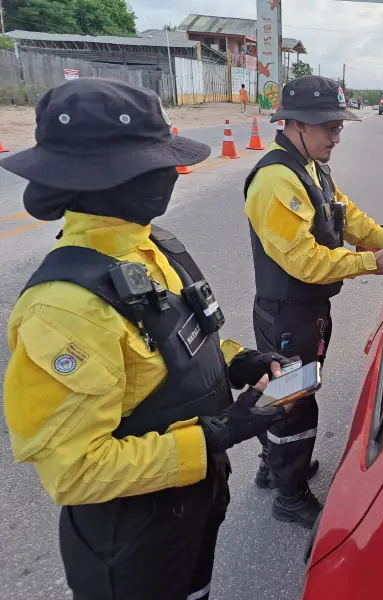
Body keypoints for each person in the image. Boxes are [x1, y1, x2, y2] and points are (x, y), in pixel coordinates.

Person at [1, 78, 292, 600]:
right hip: (132, 539)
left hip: (192, 502)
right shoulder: (65, 309)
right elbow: (75, 471)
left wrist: (239, 362)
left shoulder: (153, 245)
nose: (171, 175)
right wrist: (218, 433)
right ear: (96, 177)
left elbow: (178, 345)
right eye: (153, 164)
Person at [244, 75, 383, 528]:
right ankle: (289, 492)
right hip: (287, 312)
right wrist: (368, 263)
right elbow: (303, 261)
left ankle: (275, 466)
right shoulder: (276, 181)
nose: (336, 136)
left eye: (339, 125)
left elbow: (347, 216)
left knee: (290, 391)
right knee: (295, 400)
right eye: (329, 127)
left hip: (307, 310)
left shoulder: (312, 168)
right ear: (296, 123)